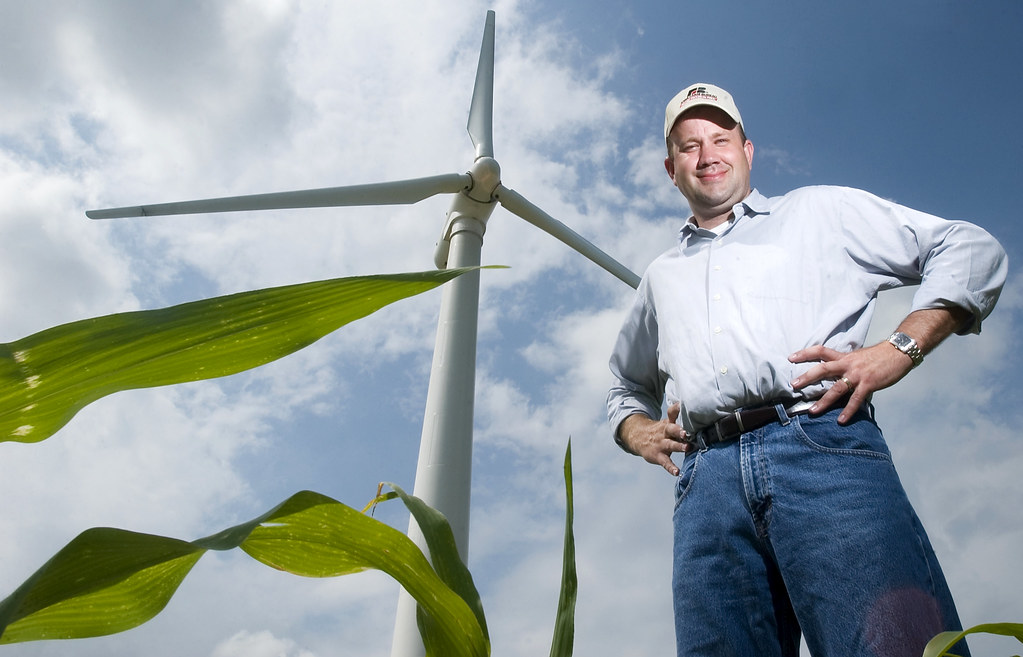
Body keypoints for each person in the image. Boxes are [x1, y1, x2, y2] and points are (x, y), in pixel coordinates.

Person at [606, 83, 1008, 657]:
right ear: (672, 169)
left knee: (888, 644)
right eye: (689, 146)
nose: (707, 153)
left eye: (721, 138)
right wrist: (635, 429)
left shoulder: (821, 210)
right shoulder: (660, 277)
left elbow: (968, 246)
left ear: (748, 151)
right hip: (707, 487)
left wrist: (902, 346)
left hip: (822, 447)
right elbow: (624, 383)